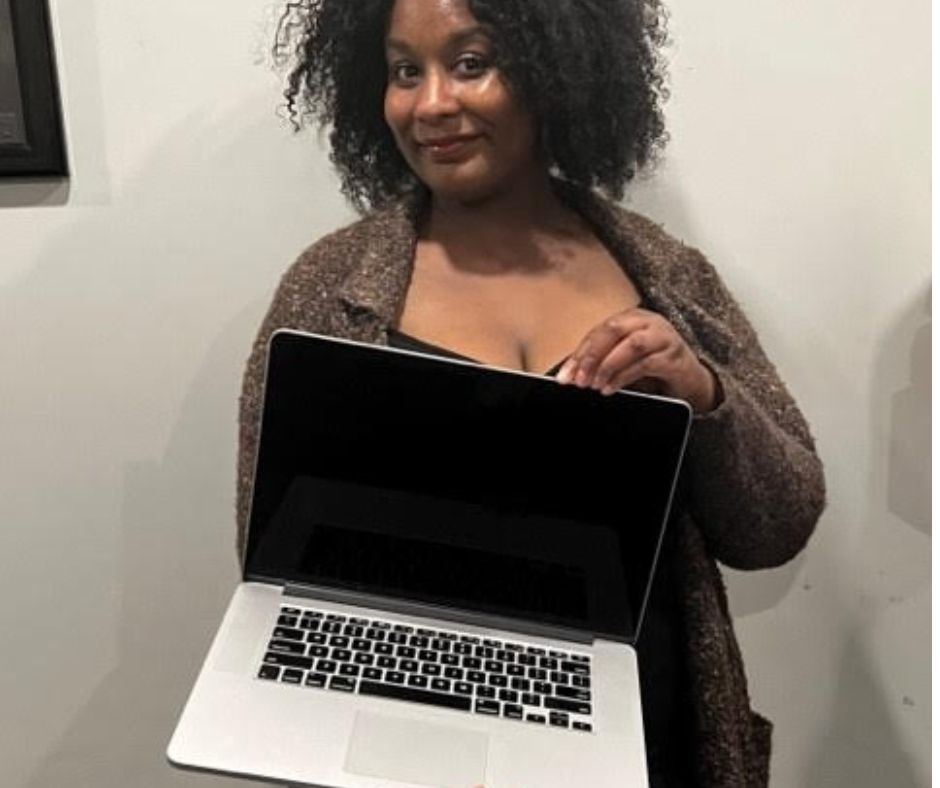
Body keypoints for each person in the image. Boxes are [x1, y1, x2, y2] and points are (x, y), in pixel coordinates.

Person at [236, 0, 826, 785]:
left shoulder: (666, 277)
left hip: (642, 736)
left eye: (471, 63)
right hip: (403, 728)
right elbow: (272, 560)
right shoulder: (328, 286)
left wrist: (705, 397)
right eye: (405, 70)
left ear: (558, 70)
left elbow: (778, 526)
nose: (431, 103)